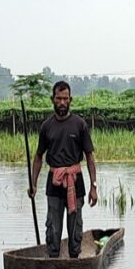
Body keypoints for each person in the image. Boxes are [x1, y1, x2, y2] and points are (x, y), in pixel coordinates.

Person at [29, 81, 98, 258]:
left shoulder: (79, 125)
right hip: (54, 183)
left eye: (65, 99)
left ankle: (75, 259)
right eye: (58, 98)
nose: (62, 102)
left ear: (70, 100)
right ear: (52, 99)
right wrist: (33, 184)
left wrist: (93, 187)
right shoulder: (46, 126)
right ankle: (53, 259)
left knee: (75, 227)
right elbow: (38, 157)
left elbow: (89, 156)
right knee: (53, 227)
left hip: (76, 182)